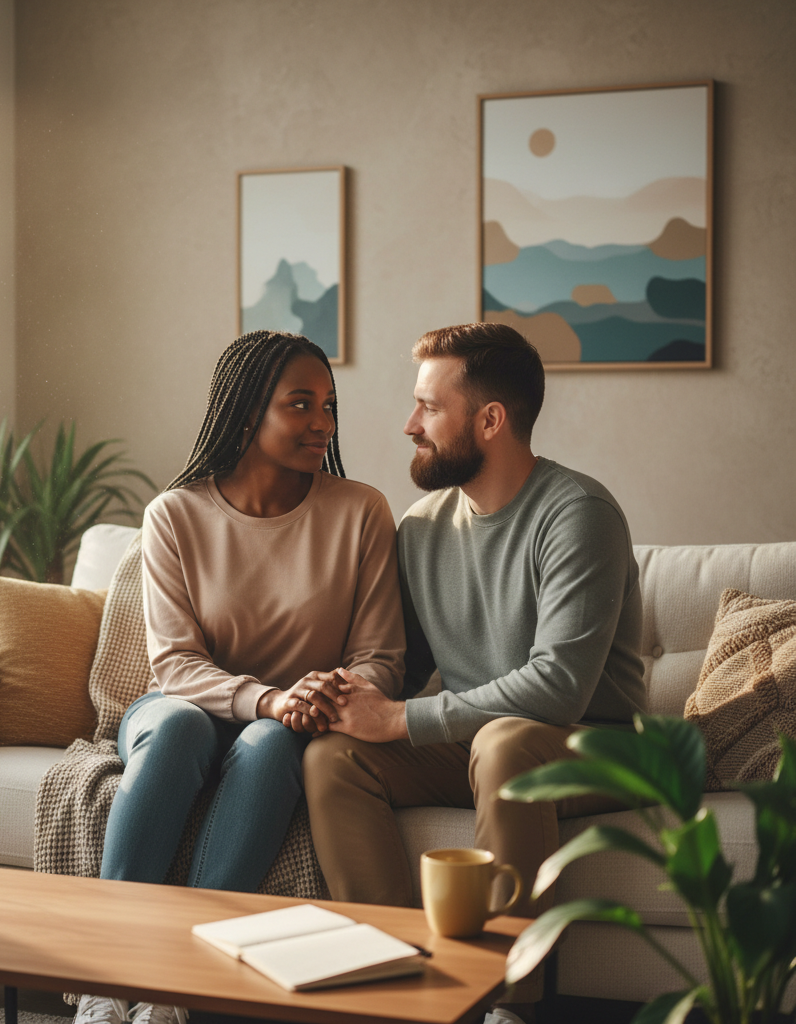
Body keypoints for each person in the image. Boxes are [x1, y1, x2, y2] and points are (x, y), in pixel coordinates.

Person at [303, 322, 646, 1024]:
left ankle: (505, 1003)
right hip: (485, 741)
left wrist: (400, 719)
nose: (409, 425)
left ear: (489, 420)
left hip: (596, 742)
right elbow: (403, 666)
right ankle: (390, 981)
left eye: (428, 407)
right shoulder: (423, 528)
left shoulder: (578, 513)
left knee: (507, 744)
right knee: (333, 758)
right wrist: (338, 691)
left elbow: (558, 687)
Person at [75, 330, 405, 1024]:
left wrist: (318, 698)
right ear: (247, 411)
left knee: (273, 744)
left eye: (330, 405)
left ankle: (177, 989)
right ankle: (110, 977)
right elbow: (174, 664)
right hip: (180, 706)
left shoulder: (362, 511)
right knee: (179, 728)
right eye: (301, 404)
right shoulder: (176, 514)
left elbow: (381, 656)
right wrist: (272, 697)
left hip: (293, 725)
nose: (323, 422)